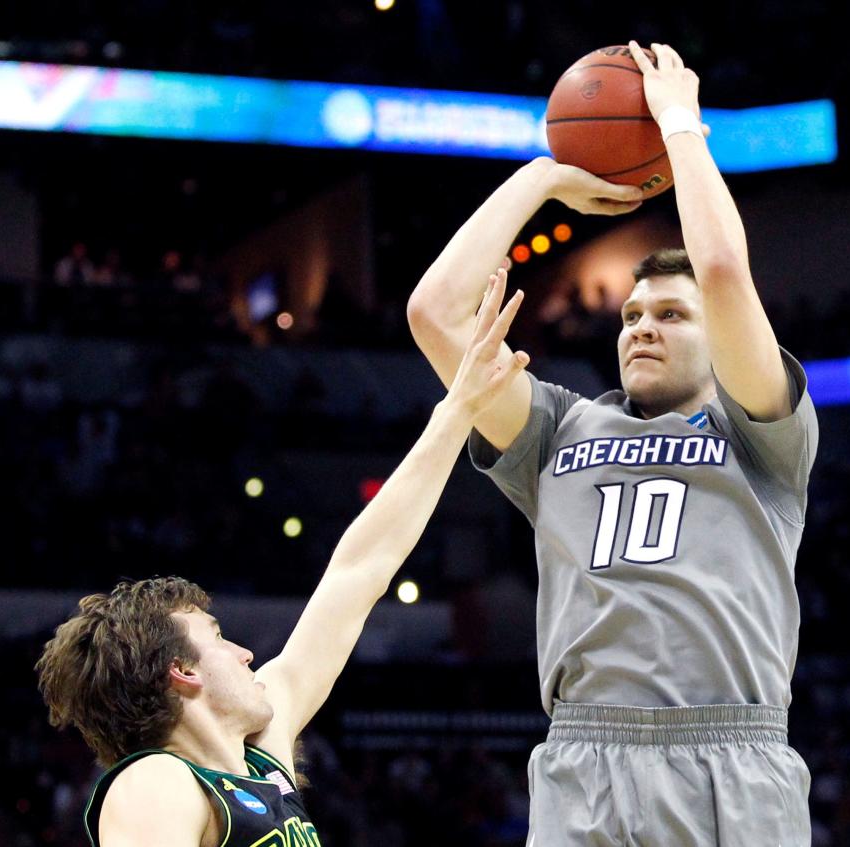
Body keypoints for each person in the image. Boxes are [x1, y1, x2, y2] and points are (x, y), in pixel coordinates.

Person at [406, 41, 819, 845]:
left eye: (671, 314)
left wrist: (679, 127)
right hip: (584, 760)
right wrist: (544, 178)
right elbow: (434, 315)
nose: (643, 328)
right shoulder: (558, 427)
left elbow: (725, 271)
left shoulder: (764, 432)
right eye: (632, 315)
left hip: (734, 753)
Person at [36, 275, 531, 847]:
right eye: (218, 637)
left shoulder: (263, 757)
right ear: (183, 671)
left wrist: (459, 407)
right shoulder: (155, 781)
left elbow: (359, 571)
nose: (247, 652)